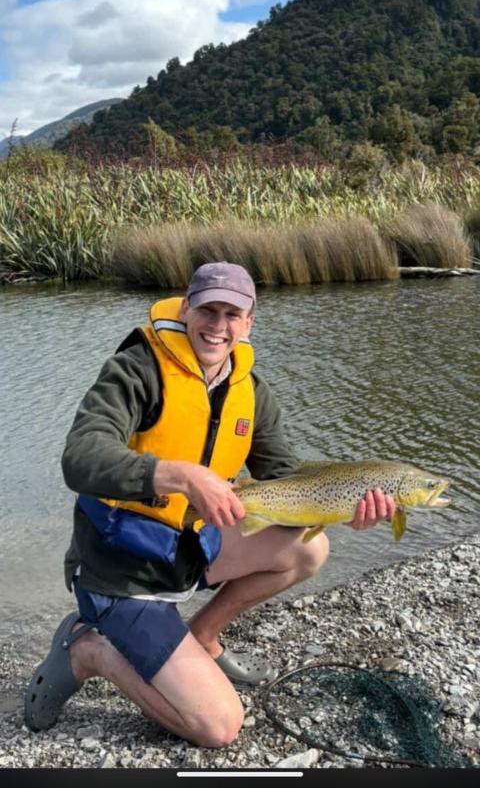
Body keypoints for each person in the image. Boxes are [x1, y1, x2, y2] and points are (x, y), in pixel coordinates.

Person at [24, 261, 396, 747]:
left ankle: (201, 635)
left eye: (232, 315)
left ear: (248, 323)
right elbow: (80, 458)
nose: (218, 326)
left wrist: (345, 507)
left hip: (189, 549)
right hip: (120, 570)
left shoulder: (251, 391)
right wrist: (179, 475)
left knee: (309, 548)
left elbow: (287, 480)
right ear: (186, 309)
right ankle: (88, 650)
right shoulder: (136, 370)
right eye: (208, 311)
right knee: (219, 727)